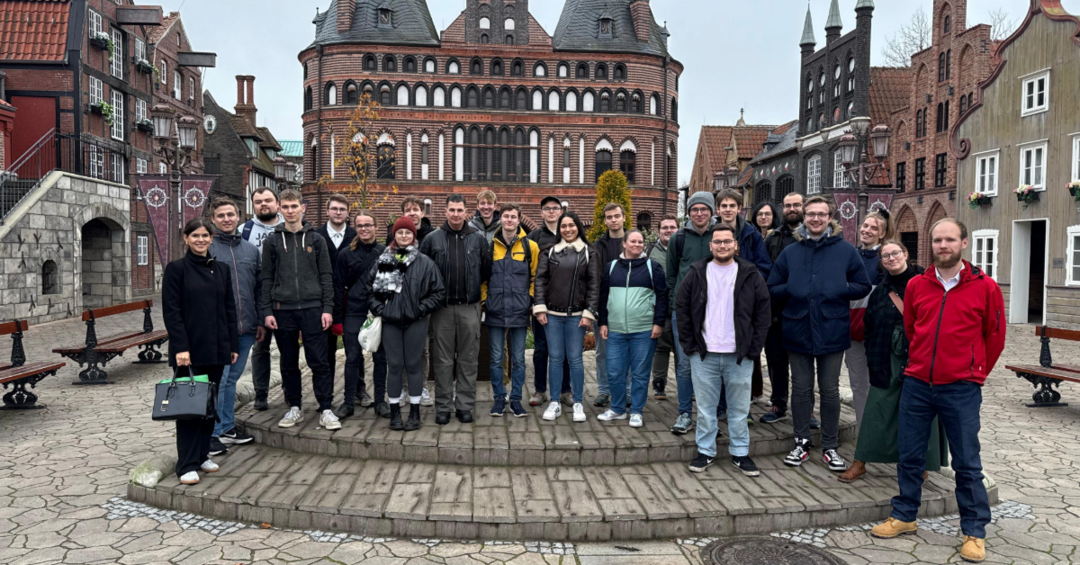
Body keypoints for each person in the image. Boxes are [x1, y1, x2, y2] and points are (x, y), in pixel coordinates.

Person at [871, 219, 1005, 565]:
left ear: (963, 243)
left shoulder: (985, 287)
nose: (943, 245)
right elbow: (913, 328)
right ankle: (905, 515)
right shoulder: (918, 284)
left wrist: (974, 373)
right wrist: (922, 362)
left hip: (961, 387)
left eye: (949, 239)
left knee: (966, 462)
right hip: (918, 383)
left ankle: (974, 530)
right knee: (910, 454)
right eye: (937, 240)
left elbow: (994, 336)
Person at [767, 196, 871, 472]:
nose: (815, 219)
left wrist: (838, 290)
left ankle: (829, 445)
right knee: (800, 388)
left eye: (821, 214)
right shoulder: (791, 252)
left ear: (830, 217)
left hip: (832, 328)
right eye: (810, 214)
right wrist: (791, 289)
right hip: (797, 327)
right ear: (804, 217)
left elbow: (863, 284)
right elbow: (771, 287)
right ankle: (801, 441)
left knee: (829, 389)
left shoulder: (845, 250)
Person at [841, 240, 948, 484]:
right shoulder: (880, 291)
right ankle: (861, 460)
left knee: (922, 412)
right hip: (886, 356)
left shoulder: (928, 282)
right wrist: (874, 352)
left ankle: (919, 464)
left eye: (895, 253)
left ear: (906, 254)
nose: (891, 258)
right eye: (885, 256)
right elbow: (869, 325)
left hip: (921, 357)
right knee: (877, 408)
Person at [677, 225, 771, 476]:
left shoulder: (750, 273)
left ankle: (740, 453)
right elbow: (682, 308)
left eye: (727, 241)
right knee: (706, 410)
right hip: (704, 354)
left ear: (735, 245)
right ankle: (705, 452)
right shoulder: (697, 272)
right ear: (711, 246)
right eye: (717, 242)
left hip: (739, 355)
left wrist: (754, 348)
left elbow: (763, 314)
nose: (722, 246)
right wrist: (690, 346)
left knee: (739, 410)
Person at [162, 218, 239, 485]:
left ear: (211, 238)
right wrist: (180, 347)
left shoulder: (221, 269)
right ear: (186, 238)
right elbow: (172, 313)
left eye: (205, 235)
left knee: (208, 406)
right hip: (189, 351)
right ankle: (186, 464)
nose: (201, 240)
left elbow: (229, 310)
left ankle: (203, 454)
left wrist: (232, 346)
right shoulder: (176, 270)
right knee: (188, 408)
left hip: (217, 348)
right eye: (195, 235)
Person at [260, 190, 338, 431]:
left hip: (313, 309)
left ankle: (325, 408)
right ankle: (294, 406)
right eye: (286, 206)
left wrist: (327, 308)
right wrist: (267, 310)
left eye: (294, 206)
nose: (290, 210)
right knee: (288, 361)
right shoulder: (272, 241)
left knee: (319, 361)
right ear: (280, 209)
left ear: (303, 208)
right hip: (283, 310)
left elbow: (326, 275)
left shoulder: (316, 240)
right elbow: (266, 278)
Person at [368, 216, 446, 431]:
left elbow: (438, 293)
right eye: (400, 232)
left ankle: (414, 413)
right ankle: (394, 413)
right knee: (394, 366)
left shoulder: (425, 263)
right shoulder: (383, 261)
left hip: (416, 321)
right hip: (391, 322)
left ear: (414, 236)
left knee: (413, 366)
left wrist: (420, 310)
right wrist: (383, 310)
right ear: (394, 234)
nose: (403, 236)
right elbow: (371, 293)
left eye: (408, 233)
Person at [421, 194, 492, 425]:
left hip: (469, 307)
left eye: (460, 210)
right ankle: (443, 406)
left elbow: (486, 270)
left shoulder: (478, 239)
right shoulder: (433, 239)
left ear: (466, 211)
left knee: (468, 359)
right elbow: (424, 272)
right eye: (451, 209)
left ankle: (464, 405)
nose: (455, 214)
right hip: (441, 309)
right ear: (445, 211)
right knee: (442, 361)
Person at [534, 211, 600, 423]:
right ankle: (554, 402)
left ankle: (578, 402)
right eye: (564, 226)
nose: (568, 229)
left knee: (575, 359)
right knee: (555, 359)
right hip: (552, 315)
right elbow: (540, 281)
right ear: (559, 229)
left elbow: (593, 285)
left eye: (572, 225)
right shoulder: (549, 252)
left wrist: (589, 312)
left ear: (578, 226)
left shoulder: (589, 252)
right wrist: (540, 307)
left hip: (577, 316)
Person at [597, 230, 667, 427]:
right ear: (625, 244)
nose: (637, 244)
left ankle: (636, 410)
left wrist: (658, 323)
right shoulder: (611, 268)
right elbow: (603, 297)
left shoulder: (653, 267)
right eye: (633, 241)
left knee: (640, 373)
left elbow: (662, 297)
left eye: (640, 241)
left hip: (644, 330)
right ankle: (618, 409)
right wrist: (603, 322)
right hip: (616, 331)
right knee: (614, 372)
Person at [842, 210, 893, 477]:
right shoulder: (851, 253)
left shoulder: (886, 258)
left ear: (883, 233)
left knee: (883, 387)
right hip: (851, 332)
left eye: (874, 227)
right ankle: (864, 444)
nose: (867, 230)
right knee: (859, 387)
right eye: (865, 225)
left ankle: (885, 441)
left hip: (876, 332)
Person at [713, 190, 772, 420]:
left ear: (740, 208)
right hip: (716, 304)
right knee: (716, 355)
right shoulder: (709, 232)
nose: (728, 209)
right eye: (724, 205)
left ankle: (741, 408)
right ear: (718, 209)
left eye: (732, 205)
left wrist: (746, 284)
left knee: (744, 357)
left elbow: (764, 267)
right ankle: (719, 406)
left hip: (743, 304)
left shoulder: (751, 234)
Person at [207, 198, 260, 456]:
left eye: (231, 214)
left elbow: (259, 288)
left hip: (247, 326)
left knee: (232, 380)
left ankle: (227, 427)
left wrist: (260, 320)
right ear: (213, 219)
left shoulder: (251, 251)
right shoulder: (206, 250)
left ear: (239, 216)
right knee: (221, 379)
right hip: (219, 329)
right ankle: (213, 433)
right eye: (221, 215)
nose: (227, 219)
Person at [667, 192, 717, 435]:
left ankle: (713, 417)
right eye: (694, 209)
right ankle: (685, 413)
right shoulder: (678, 238)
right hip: (684, 312)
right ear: (688, 213)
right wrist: (672, 307)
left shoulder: (721, 236)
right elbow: (671, 276)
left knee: (715, 365)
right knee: (685, 365)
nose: (699, 213)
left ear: (711, 211)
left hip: (716, 311)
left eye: (703, 209)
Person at [484, 203, 539, 418]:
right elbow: (483, 278)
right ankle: (499, 397)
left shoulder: (530, 247)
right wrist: (484, 302)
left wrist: (530, 300)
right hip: (495, 310)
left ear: (519, 220)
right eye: (505, 216)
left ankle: (516, 399)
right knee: (496, 358)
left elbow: (536, 278)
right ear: (500, 219)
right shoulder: (489, 246)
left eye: (513, 216)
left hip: (519, 311)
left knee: (518, 359)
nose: (509, 220)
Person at [333, 211, 388, 420]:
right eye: (360, 225)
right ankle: (348, 402)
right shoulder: (345, 254)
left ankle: (381, 402)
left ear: (376, 227)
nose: (364, 229)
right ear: (355, 228)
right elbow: (338, 287)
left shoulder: (385, 253)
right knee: (352, 358)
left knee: (380, 358)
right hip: (354, 312)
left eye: (368, 225)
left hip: (378, 313)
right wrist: (338, 318)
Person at [386, 197, 436, 406]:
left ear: (423, 213)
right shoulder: (392, 244)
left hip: (420, 307)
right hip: (396, 308)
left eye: (416, 209)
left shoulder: (432, 237)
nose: (412, 213)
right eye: (408, 210)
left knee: (421, 350)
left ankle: (420, 386)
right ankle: (403, 389)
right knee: (398, 353)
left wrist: (424, 305)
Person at [760, 193, 804, 425]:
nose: (792, 209)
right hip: (776, 311)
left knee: (803, 365)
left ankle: (807, 410)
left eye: (796, 205)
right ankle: (778, 405)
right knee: (777, 362)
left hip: (803, 312)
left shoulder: (811, 237)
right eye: (787, 206)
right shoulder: (773, 238)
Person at [527, 196, 572, 407]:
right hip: (542, 303)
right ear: (542, 212)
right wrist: (535, 302)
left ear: (561, 211)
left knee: (564, 349)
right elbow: (530, 273)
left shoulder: (570, 235)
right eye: (547, 209)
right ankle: (539, 390)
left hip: (566, 303)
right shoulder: (534, 237)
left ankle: (565, 390)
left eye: (555, 208)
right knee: (541, 348)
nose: (552, 212)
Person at [242, 187, 283, 411]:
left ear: (277, 203)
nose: (263, 205)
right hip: (258, 298)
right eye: (258, 202)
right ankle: (261, 394)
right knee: (260, 348)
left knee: (288, 349)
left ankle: (290, 392)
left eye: (268, 200)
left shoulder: (291, 225)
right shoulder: (244, 230)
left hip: (286, 297)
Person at [316, 195, 357, 388]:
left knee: (354, 349)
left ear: (348, 213)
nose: (338, 212)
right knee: (326, 350)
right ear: (327, 211)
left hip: (350, 300)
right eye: (334, 208)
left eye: (342, 209)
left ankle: (359, 389)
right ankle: (326, 392)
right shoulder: (316, 237)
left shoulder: (355, 236)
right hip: (324, 301)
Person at [591, 203, 629, 407]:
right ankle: (604, 390)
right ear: (604, 221)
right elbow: (594, 279)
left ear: (624, 217)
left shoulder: (633, 242)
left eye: (616, 216)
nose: (613, 220)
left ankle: (628, 391)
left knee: (629, 351)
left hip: (629, 308)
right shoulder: (597, 247)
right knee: (602, 352)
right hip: (604, 308)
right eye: (609, 217)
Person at [647, 214, 679, 401]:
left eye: (672, 227)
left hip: (681, 305)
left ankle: (687, 385)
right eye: (665, 228)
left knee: (681, 348)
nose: (668, 231)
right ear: (658, 231)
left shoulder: (682, 246)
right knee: (661, 347)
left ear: (678, 229)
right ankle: (659, 384)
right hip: (660, 305)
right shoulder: (651, 250)